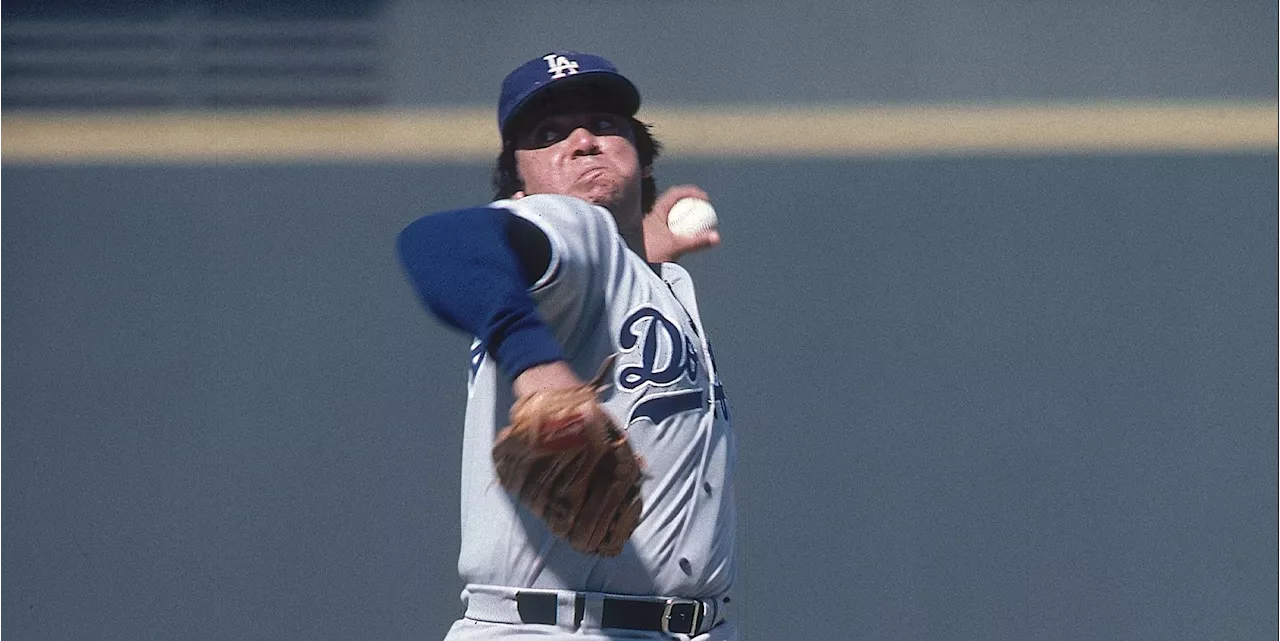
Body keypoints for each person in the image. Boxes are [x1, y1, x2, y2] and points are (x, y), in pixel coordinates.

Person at [397, 51, 737, 640]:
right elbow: (440, 242)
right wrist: (535, 365)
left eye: (605, 125)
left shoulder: (650, 277)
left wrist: (642, 252)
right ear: (519, 185)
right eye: (548, 134)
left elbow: (613, 264)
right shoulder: (570, 231)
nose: (583, 140)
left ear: (641, 151)